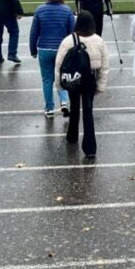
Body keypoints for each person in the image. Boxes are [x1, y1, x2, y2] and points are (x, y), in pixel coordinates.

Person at [55, 9, 108, 159]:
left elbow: (59, 65)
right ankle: (90, 147)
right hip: (90, 78)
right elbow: (104, 66)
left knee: (75, 107)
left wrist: (59, 85)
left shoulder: (68, 40)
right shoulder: (99, 40)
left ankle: (72, 136)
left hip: (74, 77)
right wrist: (101, 85)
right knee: (88, 110)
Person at [30, 0, 76, 117]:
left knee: (47, 79)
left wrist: (33, 49)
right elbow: (72, 33)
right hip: (61, 48)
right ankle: (64, 102)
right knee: (62, 77)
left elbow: (34, 32)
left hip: (44, 48)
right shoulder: (67, 10)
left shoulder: (40, 10)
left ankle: (49, 108)